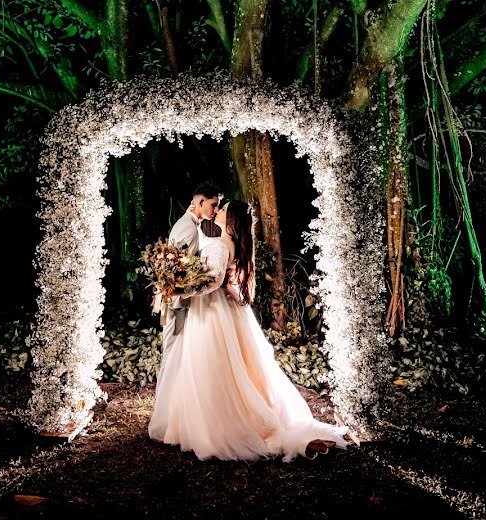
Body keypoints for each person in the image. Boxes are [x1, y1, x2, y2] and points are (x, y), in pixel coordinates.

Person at [149, 199, 351, 462]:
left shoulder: (221, 245)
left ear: (230, 219)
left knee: (210, 367)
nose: (217, 211)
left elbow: (212, 282)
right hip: (221, 309)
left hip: (212, 312)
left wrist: (179, 289)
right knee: (221, 367)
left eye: (221, 210)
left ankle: (218, 427)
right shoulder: (226, 242)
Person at [158, 182, 222, 379]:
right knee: (173, 349)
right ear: (201, 202)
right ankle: (166, 399)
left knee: (176, 350)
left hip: (180, 299)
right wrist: (179, 293)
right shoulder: (188, 228)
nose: (216, 210)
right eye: (214, 204)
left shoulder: (190, 224)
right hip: (179, 302)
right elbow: (174, 268)